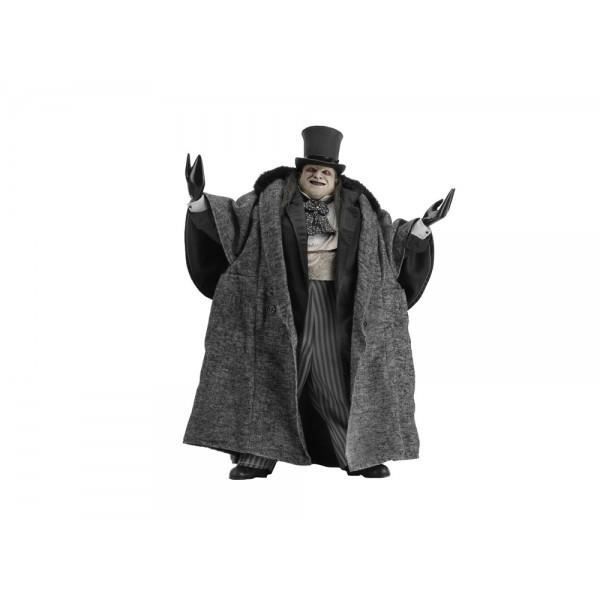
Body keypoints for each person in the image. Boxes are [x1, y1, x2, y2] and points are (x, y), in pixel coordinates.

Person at [182, 125, 453, 479]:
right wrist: (199, 199)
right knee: (269, 377)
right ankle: (257, 455)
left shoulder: (360, 210)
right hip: (279, 304)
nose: (318, 175)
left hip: (334, 305)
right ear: (300, 174)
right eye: (311, 170)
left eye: (326, 172)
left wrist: (424, 225)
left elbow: (390, 244)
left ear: (336, 179)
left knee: (333, 378)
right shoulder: (268, 202)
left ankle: (355, 452)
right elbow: (230, 222)